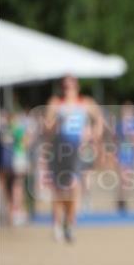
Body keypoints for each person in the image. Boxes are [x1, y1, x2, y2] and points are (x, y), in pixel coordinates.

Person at [44, 75, 103, 243]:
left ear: (77, 87)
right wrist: (56, 123)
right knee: (59, 189)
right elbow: (47, 128)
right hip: (59, 151)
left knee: (74, 186)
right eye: (64, 86)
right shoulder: (56, 103)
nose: (67, 89)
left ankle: (70, 224)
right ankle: (57, 223)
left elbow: (99, 119)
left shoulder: (85, 102)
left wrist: (92, 135)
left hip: (77, 150)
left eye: (70, 86)